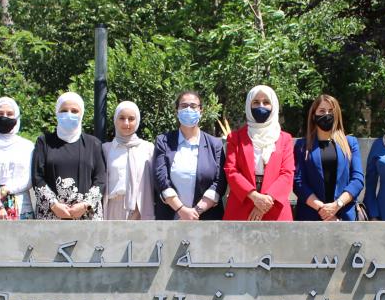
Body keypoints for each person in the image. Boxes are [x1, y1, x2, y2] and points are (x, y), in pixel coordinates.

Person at [223, 84, 295, 221]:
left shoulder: (285, 138)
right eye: (256, 102)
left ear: (273, 106)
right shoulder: (235, 138)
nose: (261, 106)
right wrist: (255, 196)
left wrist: (265, 201)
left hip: (274, 205)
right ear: (248, 106)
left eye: (266, 102)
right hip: (242, 203)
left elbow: (287, 173)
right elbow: (231, 170)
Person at [152, 90, 226, 220]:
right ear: (177, 110)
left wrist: (196, 211)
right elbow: (161, 180)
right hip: (171, 218)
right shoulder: (163, 141)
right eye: (184, 106)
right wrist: (182, 210)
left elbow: (219, 182)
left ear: (201, 110)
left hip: (206, 219)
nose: (188, 109)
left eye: (193, 106)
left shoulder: (215, 145)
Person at [32, 92, 106, 220]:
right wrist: (53, 205)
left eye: (74, 111)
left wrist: (85, 205)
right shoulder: (44, 142)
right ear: (57, 112)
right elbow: (37, 177)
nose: (69, 114)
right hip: (51, 215)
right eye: (64, 110)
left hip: (86, 216)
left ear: (81, 113)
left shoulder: (93, 144)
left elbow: (100, 179)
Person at [293, 94, 364, 221]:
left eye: (331, 111)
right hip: (311, 216)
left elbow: (357, 179)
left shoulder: (350, 143)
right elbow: (298, 182)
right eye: (322, 111)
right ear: (314, 115)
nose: (326, 114)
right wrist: (322, 209)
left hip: (344, 215)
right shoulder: (302, 145)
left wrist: (337, 205)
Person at [102, 101, 155, 220]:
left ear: (137, 121)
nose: (126, 123)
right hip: (113, 207)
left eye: (131, 118)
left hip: (140, 207)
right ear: (115, 119)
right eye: (122, 118)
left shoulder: (148, 148)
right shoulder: (106, 149)